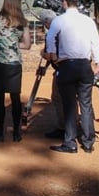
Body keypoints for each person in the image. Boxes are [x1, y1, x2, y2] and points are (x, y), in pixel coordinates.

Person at [44, 0, 99, 154]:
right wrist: (98, 64)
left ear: (64, 2)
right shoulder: (88, 21)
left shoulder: (59, 21)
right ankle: (88, 142)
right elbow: (95, 43)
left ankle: (70, 142)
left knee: (69, 106)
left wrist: (53, 55)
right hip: (85, 66)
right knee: (86, 104)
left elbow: (50, 38)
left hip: (67, 66)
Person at [0, 0, 32, 142]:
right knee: (15, 97)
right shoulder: (23, 23)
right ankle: (16, 133)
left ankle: (0, 133)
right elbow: (27, 44)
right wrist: (13, 45)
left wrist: (1, 43)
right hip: (14, 64)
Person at [36, 9, 67, 139]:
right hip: (72, 68)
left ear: (47, 22)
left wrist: (41, 53)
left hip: (63, 70)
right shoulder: (65, 27)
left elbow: (49, 54)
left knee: (58, 98)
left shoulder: (53, 32)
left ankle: (63, 128)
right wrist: (46, 66)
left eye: (44, 23)